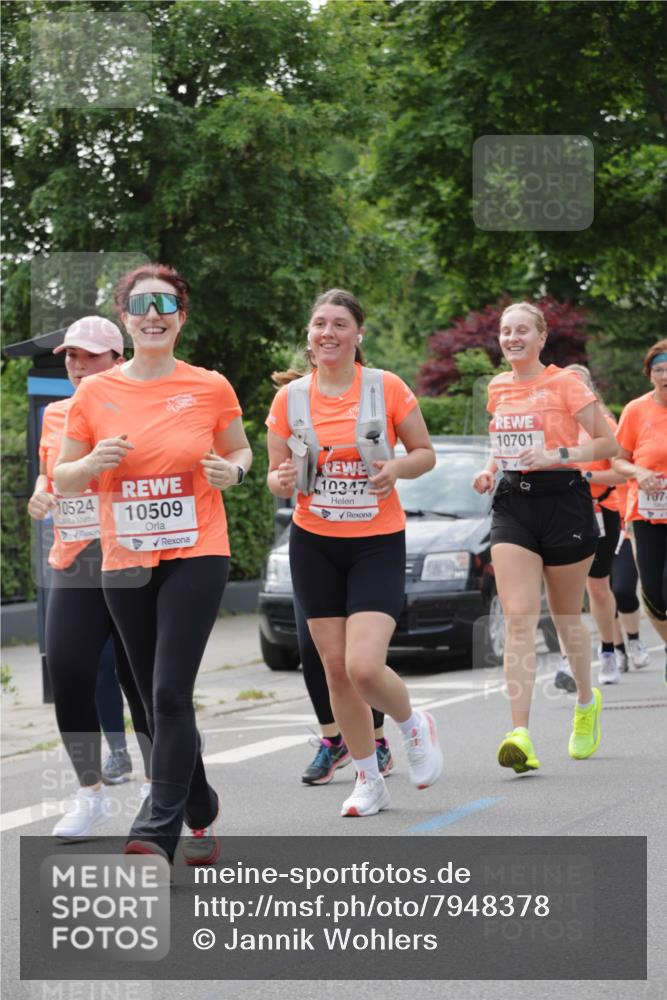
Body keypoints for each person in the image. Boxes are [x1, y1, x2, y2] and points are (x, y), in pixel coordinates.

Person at [55, 264, 252, 864]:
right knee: (145, 699)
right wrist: (89, 467)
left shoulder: (210, 385)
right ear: (126, 319)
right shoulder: (94, 393)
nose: (153, 314)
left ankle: (155, 827)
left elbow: (240, 447)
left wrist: (234, 469)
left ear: (181, 317)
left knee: (169, 691)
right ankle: (199, 804)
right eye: (141, 305)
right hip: (126, 561)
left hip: (197, 551)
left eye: (166, 305)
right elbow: (62, 478)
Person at [266, 288, 442, 818]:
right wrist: (280, 478)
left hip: (375, 541)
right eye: (319, 323)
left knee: (365, 667)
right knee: (335, 670)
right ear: (309, 335)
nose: (328, 333)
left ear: (358, 334)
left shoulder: (385, 387)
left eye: (340, 324)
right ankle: (368, 779)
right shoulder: (290, 398)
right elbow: (279, 480)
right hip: (313, 542)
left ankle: (414, 725)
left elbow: (425, 454)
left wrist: (396, 469)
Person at [473, 302, 617, 773]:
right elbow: (503, 444)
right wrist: (489, 469)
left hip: (565, 502)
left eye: (521, 331)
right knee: (519, 616)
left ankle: (584, 703)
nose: (512, 338)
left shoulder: (565, 384)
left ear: (541, 338)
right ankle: (521, 734)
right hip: (514, 502)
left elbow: (608, 445)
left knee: (564, 617)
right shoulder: (496, 388)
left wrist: (557, 453)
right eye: (505, 331)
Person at [27, 316, 151, 838]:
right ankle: (90, 794)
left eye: (89, 356)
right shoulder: (56, 414)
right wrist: (40, 494)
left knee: (139, 679)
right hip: (74, 561)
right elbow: (47, 473)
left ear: (116, 360)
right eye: (71, 357)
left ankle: (157, 784)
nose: (77, 366)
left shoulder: (140, 409)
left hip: (133, 558)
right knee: (71, 672)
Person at [552, 365, 626, 689]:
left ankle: (609, 651)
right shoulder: (553, 426)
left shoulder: (605, 425)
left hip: (601, 510)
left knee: (597, 586)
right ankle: (568, 658)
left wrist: (587, 477)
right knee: (562, 591)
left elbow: (621, 474)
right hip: (563, 512)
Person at [295, 596, 394, 785]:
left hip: (358, 571)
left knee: (362, 652)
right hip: (312, 570)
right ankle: (334, 743)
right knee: (310, 648)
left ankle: (377, 742)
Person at [612, 339, 667, 677]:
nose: (666, 375)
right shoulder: (636, 411)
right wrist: (640, 472)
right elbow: (619, 461)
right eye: (659, 369)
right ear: (650, 376)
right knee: (653, 593)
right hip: (644, 514)